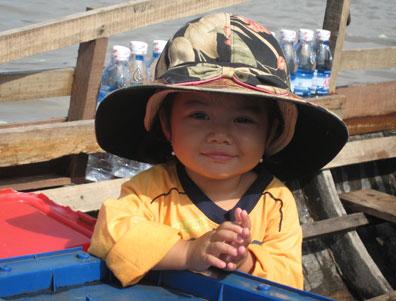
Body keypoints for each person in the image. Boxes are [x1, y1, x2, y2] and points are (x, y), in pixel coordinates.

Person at [88, 13, 348, 290]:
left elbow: (289, 277)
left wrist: (244, 261)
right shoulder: (148, 190)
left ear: (271, 132)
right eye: (199, 115)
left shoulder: (276, 201)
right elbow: (109, 233)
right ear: (167, 124)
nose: (220, 135)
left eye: (243, 120)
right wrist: (188, 253)